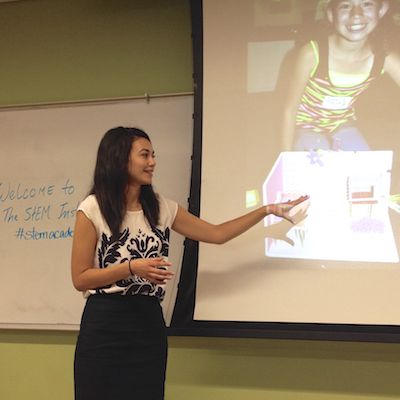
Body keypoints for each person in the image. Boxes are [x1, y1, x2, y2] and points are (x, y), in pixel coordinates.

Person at [71, 126, 308, 400]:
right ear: (119, 159)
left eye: (153, 155)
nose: (153, 162)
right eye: (144, 155)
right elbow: (80, 278)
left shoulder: (162, 208)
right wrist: (132, 268)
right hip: (105, 324)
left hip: (148, 324)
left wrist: (267, 210)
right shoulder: (92, 208)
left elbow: (217, 234)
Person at [282, 0, 400, 151]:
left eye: (367, 4)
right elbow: (289, 109)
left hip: (342, 124)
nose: (356, 14)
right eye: (345, 5)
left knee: (365, 168)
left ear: (381, 10)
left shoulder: (382, 58)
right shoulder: (312, 54)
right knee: (318, 165)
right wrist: (285, 158)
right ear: (331, 14)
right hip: (306, 125)